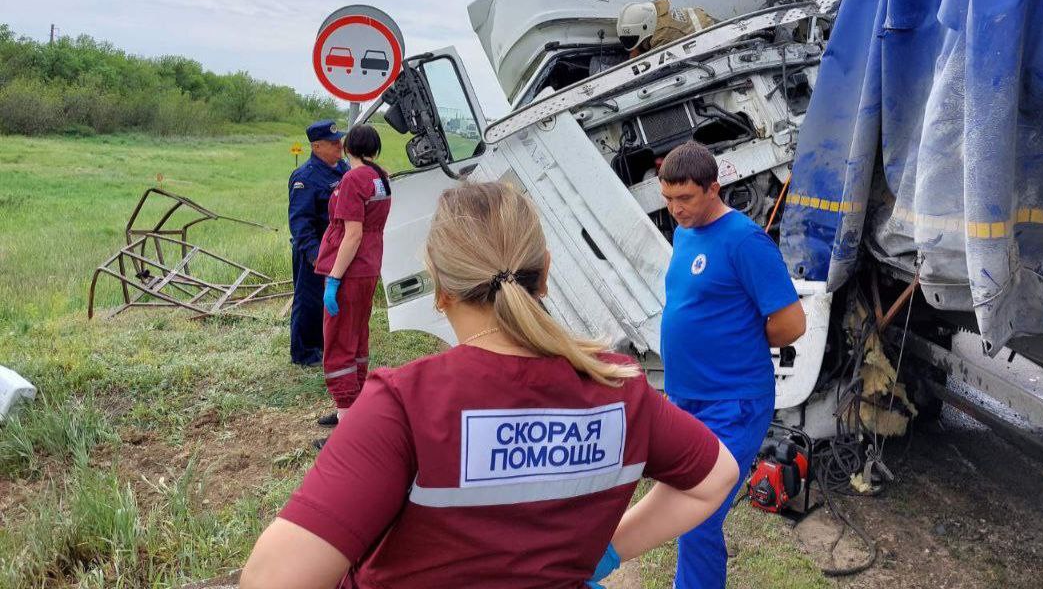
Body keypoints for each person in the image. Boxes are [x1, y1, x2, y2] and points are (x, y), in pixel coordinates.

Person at [241, 181, 740, 589]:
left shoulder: (406, 404)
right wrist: (605, 554)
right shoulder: (621, 387)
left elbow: (274, 579)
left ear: (439, 287)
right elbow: (715, 479)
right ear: (545, 273)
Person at [657, 141, 807, 588]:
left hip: (733, 403)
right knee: (683, 507)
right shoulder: (686, 232)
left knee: (698, 513)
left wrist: (741, 342)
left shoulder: (745, 241)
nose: (675, 209)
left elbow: (792, 322)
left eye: (685, 198)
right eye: (668, 199)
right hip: (687, 399)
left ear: (714, 189)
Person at [311, 124, 392, 438]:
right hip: (369, 267)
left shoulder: (354, 178)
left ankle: (348, 429)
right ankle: (354, 408)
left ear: (347, 148)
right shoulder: (379, 176)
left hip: (350, 269)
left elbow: (352, 233)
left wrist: (333, 278)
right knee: (356, 338)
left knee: (339, 344)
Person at [288, 120, 350, 366]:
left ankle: (325, 344)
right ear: (316, 146)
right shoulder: (305, 178)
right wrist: (314, 254)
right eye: (333, 143)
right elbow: (300, 221)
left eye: (339, 141)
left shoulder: (341, 168)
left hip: (338, 247)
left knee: (333, 299)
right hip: (314, 249)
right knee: (308, 299)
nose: (339, 146)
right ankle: (304, 353)